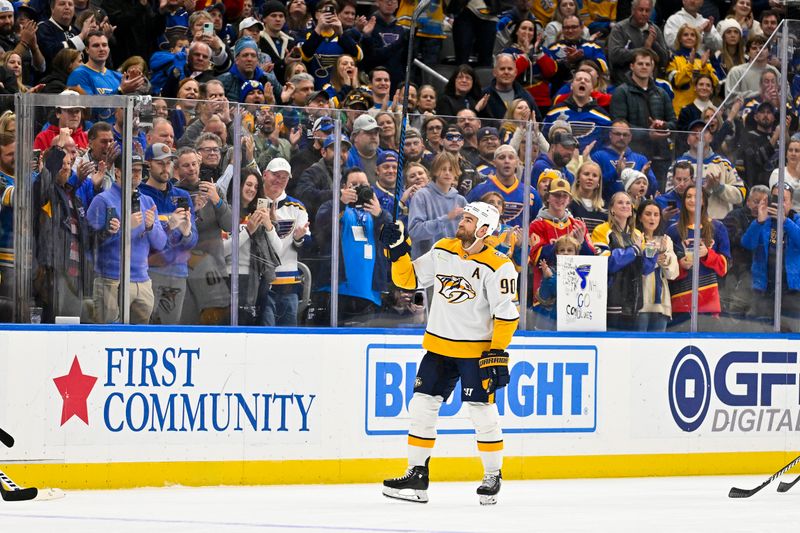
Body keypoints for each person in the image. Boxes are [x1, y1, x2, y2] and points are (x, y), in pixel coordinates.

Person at [380, 201, 519, 505]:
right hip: (439, 347)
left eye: (469, 220)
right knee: (421, 407)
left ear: (484, 229)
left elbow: (506, 314)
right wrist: (398, 250)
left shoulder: (499, 265)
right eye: (464, 218)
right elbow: (408, 279)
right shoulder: (444, 248)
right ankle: (417, 473)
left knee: (481, 412)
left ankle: (492, 474)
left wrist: (497, 352)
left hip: (476, 352)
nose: (462, 223)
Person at [86, 146, 167, 324]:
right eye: (132, 170)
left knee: (141, 338)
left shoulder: (147, 201)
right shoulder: (103, 200)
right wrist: (125, 228)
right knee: (106, 336)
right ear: (118, 172)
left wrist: (151, 226)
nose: (137, 174)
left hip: (142, 280)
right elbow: (90, 243)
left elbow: (160, 244)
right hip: (111, 279)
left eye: (139, 170)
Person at [314, 167, 392, 325]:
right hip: (337, 291)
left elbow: (394, 240)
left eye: (363, 184)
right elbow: (322, 227)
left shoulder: (376, 213)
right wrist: (340, 203)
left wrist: (381, 215)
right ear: (344, 187)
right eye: (353, 184)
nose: (358, 188)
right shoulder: (333, 206)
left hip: (369, 294)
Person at [137, 142, 198, 325]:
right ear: (149, 164)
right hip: (148, 272)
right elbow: (145, 239)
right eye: (160, 163)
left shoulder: (182, 196)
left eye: (169, 163)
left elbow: (193, 239)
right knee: (145, 328)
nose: (166, 168)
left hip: (178, 273)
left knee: (171, 332)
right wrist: (169, 228)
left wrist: (187, 233)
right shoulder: (139, 194)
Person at [175, 146, 233, 325]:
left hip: (214, 270)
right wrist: (194, 211)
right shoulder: (174, 193)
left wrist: (217, 201)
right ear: (177, 169)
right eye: (186, 165)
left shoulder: (214, 191)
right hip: (184, 271)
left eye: (194, 164)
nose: (191, 169)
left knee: (214, 326)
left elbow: (230, 225)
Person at [666, 185, 731, 330]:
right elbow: (666, 269)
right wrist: (680, 266)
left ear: (704, 201)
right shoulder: (673, 230)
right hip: (679, 300)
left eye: (697, 197)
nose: (692, 200)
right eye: (688, 196)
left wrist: (708, 255)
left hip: (709, 301)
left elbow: (725, 267)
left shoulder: (718, 227)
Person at [257, 157, 311, 327]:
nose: (279, 180)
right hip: (259, 283)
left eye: (284, 177)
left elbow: (308, 244)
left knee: (289, 337)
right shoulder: (253, 203)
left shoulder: (297, 207)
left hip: (288, 284)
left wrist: (299, 238)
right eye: (275, 175)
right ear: (265, 175)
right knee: (265, 336)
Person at [223, 169, 280, 325]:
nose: (252, 189)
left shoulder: (257, 213)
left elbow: (277, 250)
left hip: (255, 281)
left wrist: (269, 225)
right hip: (228, 279)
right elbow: (222, 250)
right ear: (238, 185)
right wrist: (248, 231)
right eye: (248, 184)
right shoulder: (225, 212)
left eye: (256, 186)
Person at [741, 183, 800, 331]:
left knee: (793, 331)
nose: (779, 203)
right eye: (775, 198)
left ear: (790, 203)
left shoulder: (796, 221)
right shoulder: (762, 221)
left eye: (784, 200)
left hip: (792, 290)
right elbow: (747, 243)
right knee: (760, 331)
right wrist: (759, 222)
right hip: (764, 288)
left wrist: (785, 222)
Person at [591, 191, 654, 330]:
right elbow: (607, 264)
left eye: (628, 203)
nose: (625, 206)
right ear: (612, 209)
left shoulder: (637, 234)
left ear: (632, 210)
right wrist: (634, 251)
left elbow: (645, 269)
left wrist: (652, 252)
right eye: (620, 202)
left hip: (634, 302)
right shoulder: (601, 231)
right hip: (610, 300)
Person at [408, 151, 468, 259]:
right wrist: (447, 218)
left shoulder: (461, 200)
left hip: (454, 265)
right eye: (443, 169)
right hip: (426, 265)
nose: (447, 173)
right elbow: (415, 232)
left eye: (451, 169)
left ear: (456, 172)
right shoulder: (421, 196)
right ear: (435, 171)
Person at [467, 144, 542, 228]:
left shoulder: (531, 193)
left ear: (517, 162)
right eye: (502, 157)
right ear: (494, 163)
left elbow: (539, 225)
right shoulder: (479, 191)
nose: (507, 161)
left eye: (511, 157)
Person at [635, 200, 679, 331]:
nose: (652, 218)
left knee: (658, 348)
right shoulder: (635, 237)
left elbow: (673, 273)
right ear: (640, 217)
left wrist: (664, 256)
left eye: (656, 214)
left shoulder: (666, 239)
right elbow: (640, 268)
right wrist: (655, 259)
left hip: (662, 304)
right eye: (648, 214)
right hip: (640, 302)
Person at [607, 0, 670, 86]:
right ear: (633, 10)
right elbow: (614, 56)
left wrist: (654, 43)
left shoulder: (655, 30)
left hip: (651, 84)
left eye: (647, 10)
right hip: (623, 83)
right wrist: (644, 50)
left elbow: (664, 60)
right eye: (641, 10)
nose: (644, 13)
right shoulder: (620, 28)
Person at [535, 234, 580, 324]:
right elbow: (544, 297)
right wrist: (547, 278)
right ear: (557, 254)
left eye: (570, 250)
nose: (566, 253)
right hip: (552, 320)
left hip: (575, 319)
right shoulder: (550, 270)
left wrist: (552, 277)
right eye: (562, 250)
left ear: (576, 253)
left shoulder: (582, 272)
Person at [569, 160, 607, 234]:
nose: (590, 178)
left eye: (594, 175)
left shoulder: (605, 209)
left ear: (599, 182)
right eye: (586, 174)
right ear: (578, 178)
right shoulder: (568, 203)